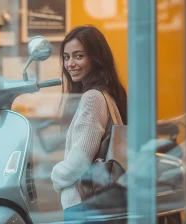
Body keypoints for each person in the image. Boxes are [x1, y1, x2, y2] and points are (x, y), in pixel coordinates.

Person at [50, 25, 128, 223]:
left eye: (78, 56)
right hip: (98, 203)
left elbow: (79, 161)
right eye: (66, 57)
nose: (70, 64)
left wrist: (55, 176)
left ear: (96, 58)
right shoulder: (108, 95)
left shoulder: (92, 98)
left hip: (83, 204)